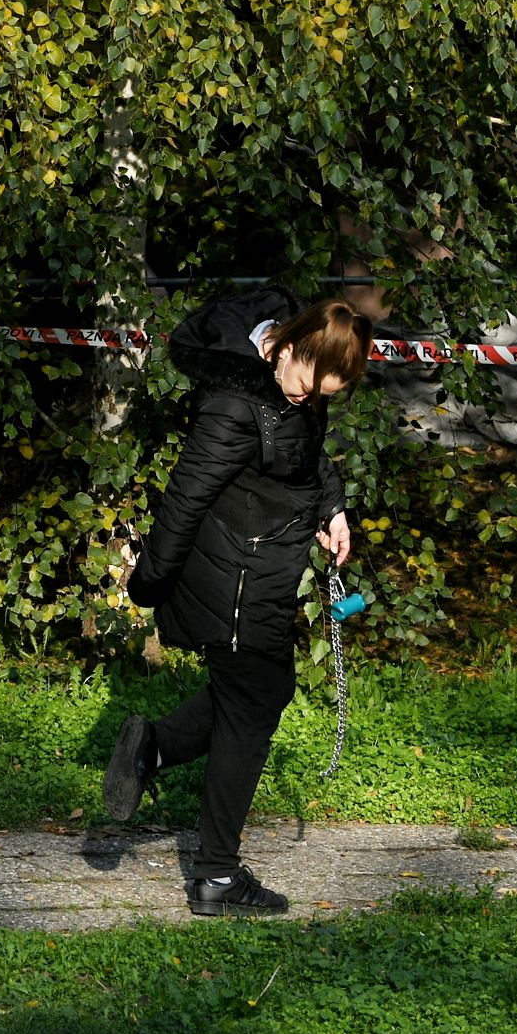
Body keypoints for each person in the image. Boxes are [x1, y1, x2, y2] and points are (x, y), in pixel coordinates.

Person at [102, 285, 366, 917]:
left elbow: (306, 456)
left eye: (322, 395)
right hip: (234, 582)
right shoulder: (233, 403)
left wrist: (332, 510)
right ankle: (216, 876)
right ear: (293, 345)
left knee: (262, 692)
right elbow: (186, 496)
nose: (307, 396)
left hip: (262, 572)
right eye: (308, 381)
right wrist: (148, 583)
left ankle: (154, 747)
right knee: (250, 712)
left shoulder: (290, 387)